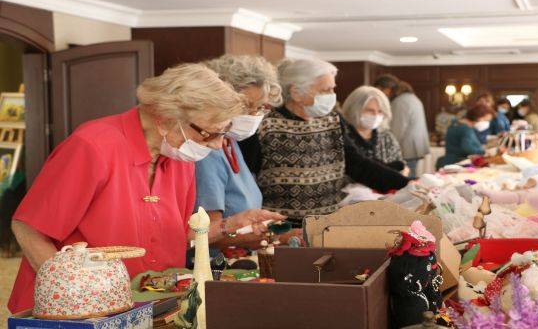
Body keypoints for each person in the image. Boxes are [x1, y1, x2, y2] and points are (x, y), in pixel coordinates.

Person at [7, 64, 284, 313]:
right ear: (164, 118)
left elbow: (176, 234)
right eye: (208, 133)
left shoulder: (178, 156)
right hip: (76, 310)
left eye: (221, 134)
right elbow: (28, 227)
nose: (214, 145)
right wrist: (74, 293)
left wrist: (232, 225)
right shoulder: (93, 147)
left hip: (148, 303)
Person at [239, 58, 409, 225]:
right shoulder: (265, 124)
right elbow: (245, 178)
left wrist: (406, 184)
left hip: (328, 224)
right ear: (296, 92)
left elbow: (358, 165)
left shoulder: (333, 119)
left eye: (332, 89)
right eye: (325, 90)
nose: (331, 96)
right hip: (280, 228)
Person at [194, 55, 297, 253]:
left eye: (259, 108)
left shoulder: (231, 142)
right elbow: (210, 234)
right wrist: (282, 236)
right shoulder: (208, 152)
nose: (254, 114)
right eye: (247, 106)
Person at [341, 85, 406, 174]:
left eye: (380, 111)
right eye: (370, 110)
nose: (376, 115)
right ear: (354, 109)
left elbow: (401, 165)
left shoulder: (386, 137)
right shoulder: (342, 137)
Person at [389, 81, 431, 177]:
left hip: (406, 146)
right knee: (411, 172)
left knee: (406, 175)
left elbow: (398, 127)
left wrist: (391, 146)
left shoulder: (400, 101)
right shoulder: (415, 99)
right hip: (416, 144)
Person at [436, 104, 494, 169]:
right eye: (486, 120)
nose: (487, 123)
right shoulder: (466, 129)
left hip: (449, 162)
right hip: (456, 163)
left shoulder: (456, 124)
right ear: (478, 117)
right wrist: (484, 151)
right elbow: (467, 148)